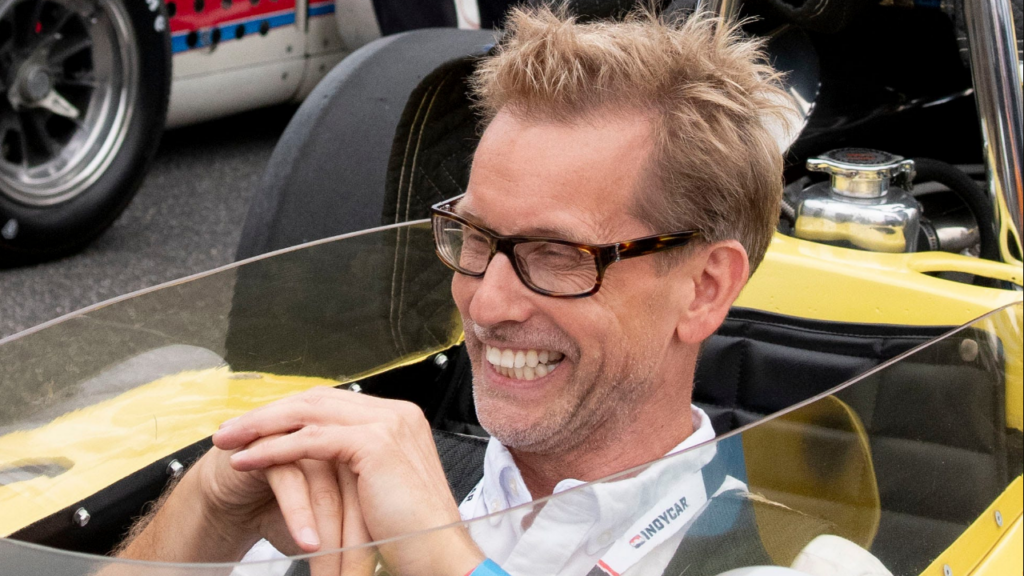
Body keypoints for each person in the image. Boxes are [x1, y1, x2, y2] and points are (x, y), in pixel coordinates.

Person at [114, 6, 888, 576]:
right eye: (477, 240)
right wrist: (206, 507)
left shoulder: (790, 563)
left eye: (557, 255)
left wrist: (436, 553)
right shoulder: (363, 491)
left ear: (704, 289)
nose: (485, 306)